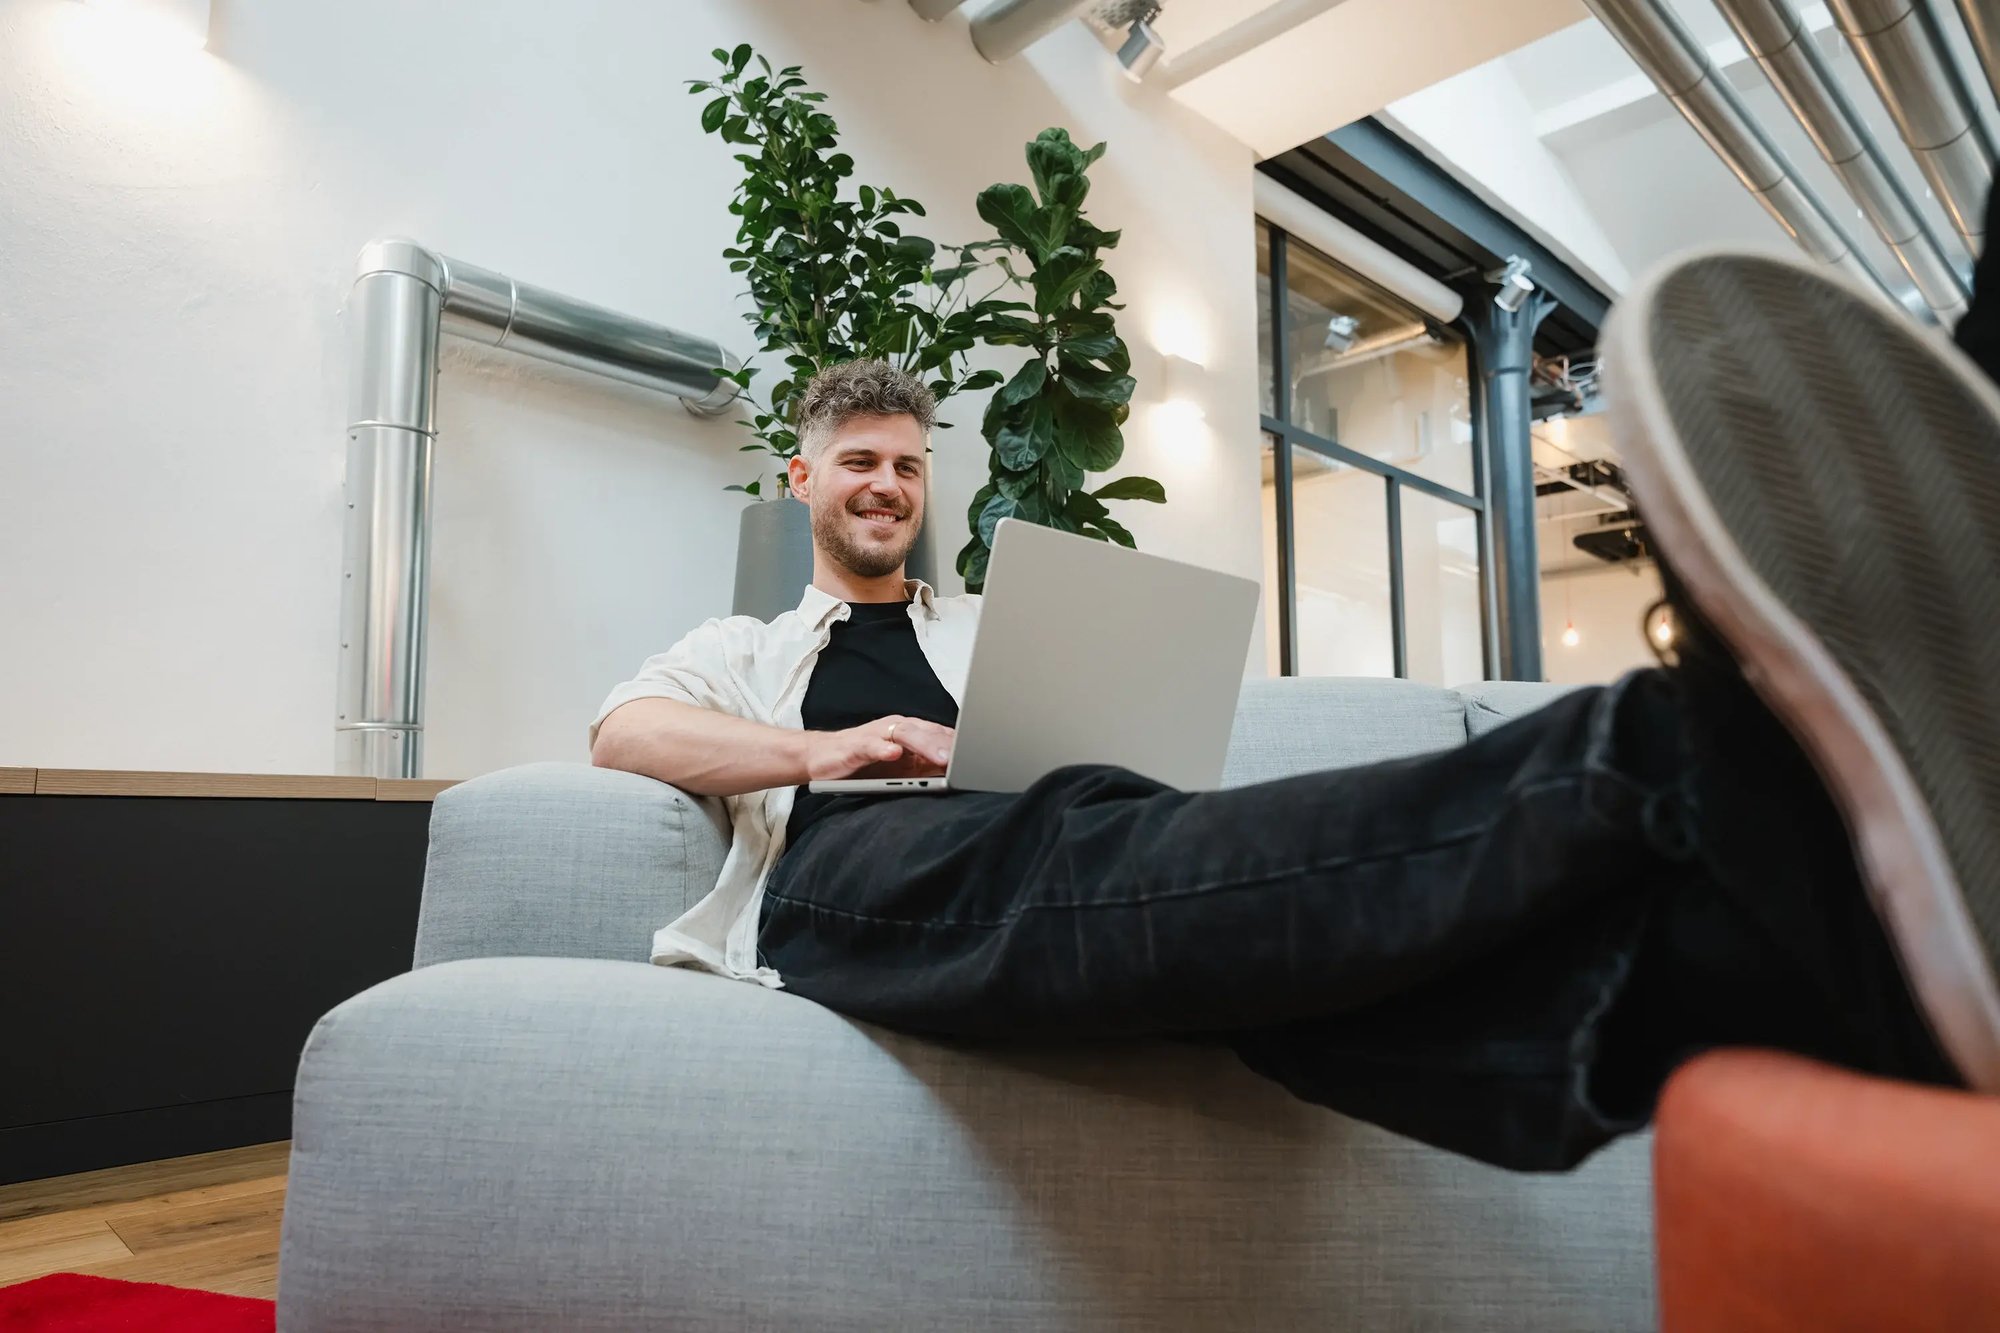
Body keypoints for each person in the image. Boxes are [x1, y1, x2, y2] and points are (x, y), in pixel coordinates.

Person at [590, 248, 2000, 1172]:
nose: (888, 486)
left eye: (906, 464)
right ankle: (1670, 759)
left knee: (1204, 925)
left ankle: (1812, 965)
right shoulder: (750, 644)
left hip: (1047, 829)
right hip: (852, 872)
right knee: (1083, 847)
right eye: (858, 463)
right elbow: (624, 730)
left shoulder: (977, 625)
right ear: (803, 478)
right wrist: (835, 746)